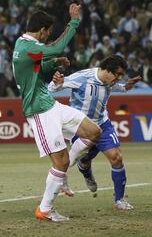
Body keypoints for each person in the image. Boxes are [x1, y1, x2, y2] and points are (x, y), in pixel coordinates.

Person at [12, 4, 102, 222]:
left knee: (93, 131)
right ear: (42, 30)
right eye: (48, 32)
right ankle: (45, 209)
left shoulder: (27, 46)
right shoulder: (25, 47)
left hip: (50, 104)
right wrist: (74, 22)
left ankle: (67, 165)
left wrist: (54, 65)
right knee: (59, 163)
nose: (48, 36)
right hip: (39, 111)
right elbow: (55, 47)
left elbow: (39, 74)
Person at [48, 54, 141, 210]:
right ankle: (83, 170)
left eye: (121, 76)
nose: (118, 78)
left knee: (116, 158)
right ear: (107, 70)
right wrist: (56, 83)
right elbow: (53, 88)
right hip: (82, 127)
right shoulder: (83, 78)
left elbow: (116, 87)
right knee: (84, 160)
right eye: (117, 74)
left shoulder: (110, 81)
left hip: (102, 124)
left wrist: (126, 87)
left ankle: (119, 200)